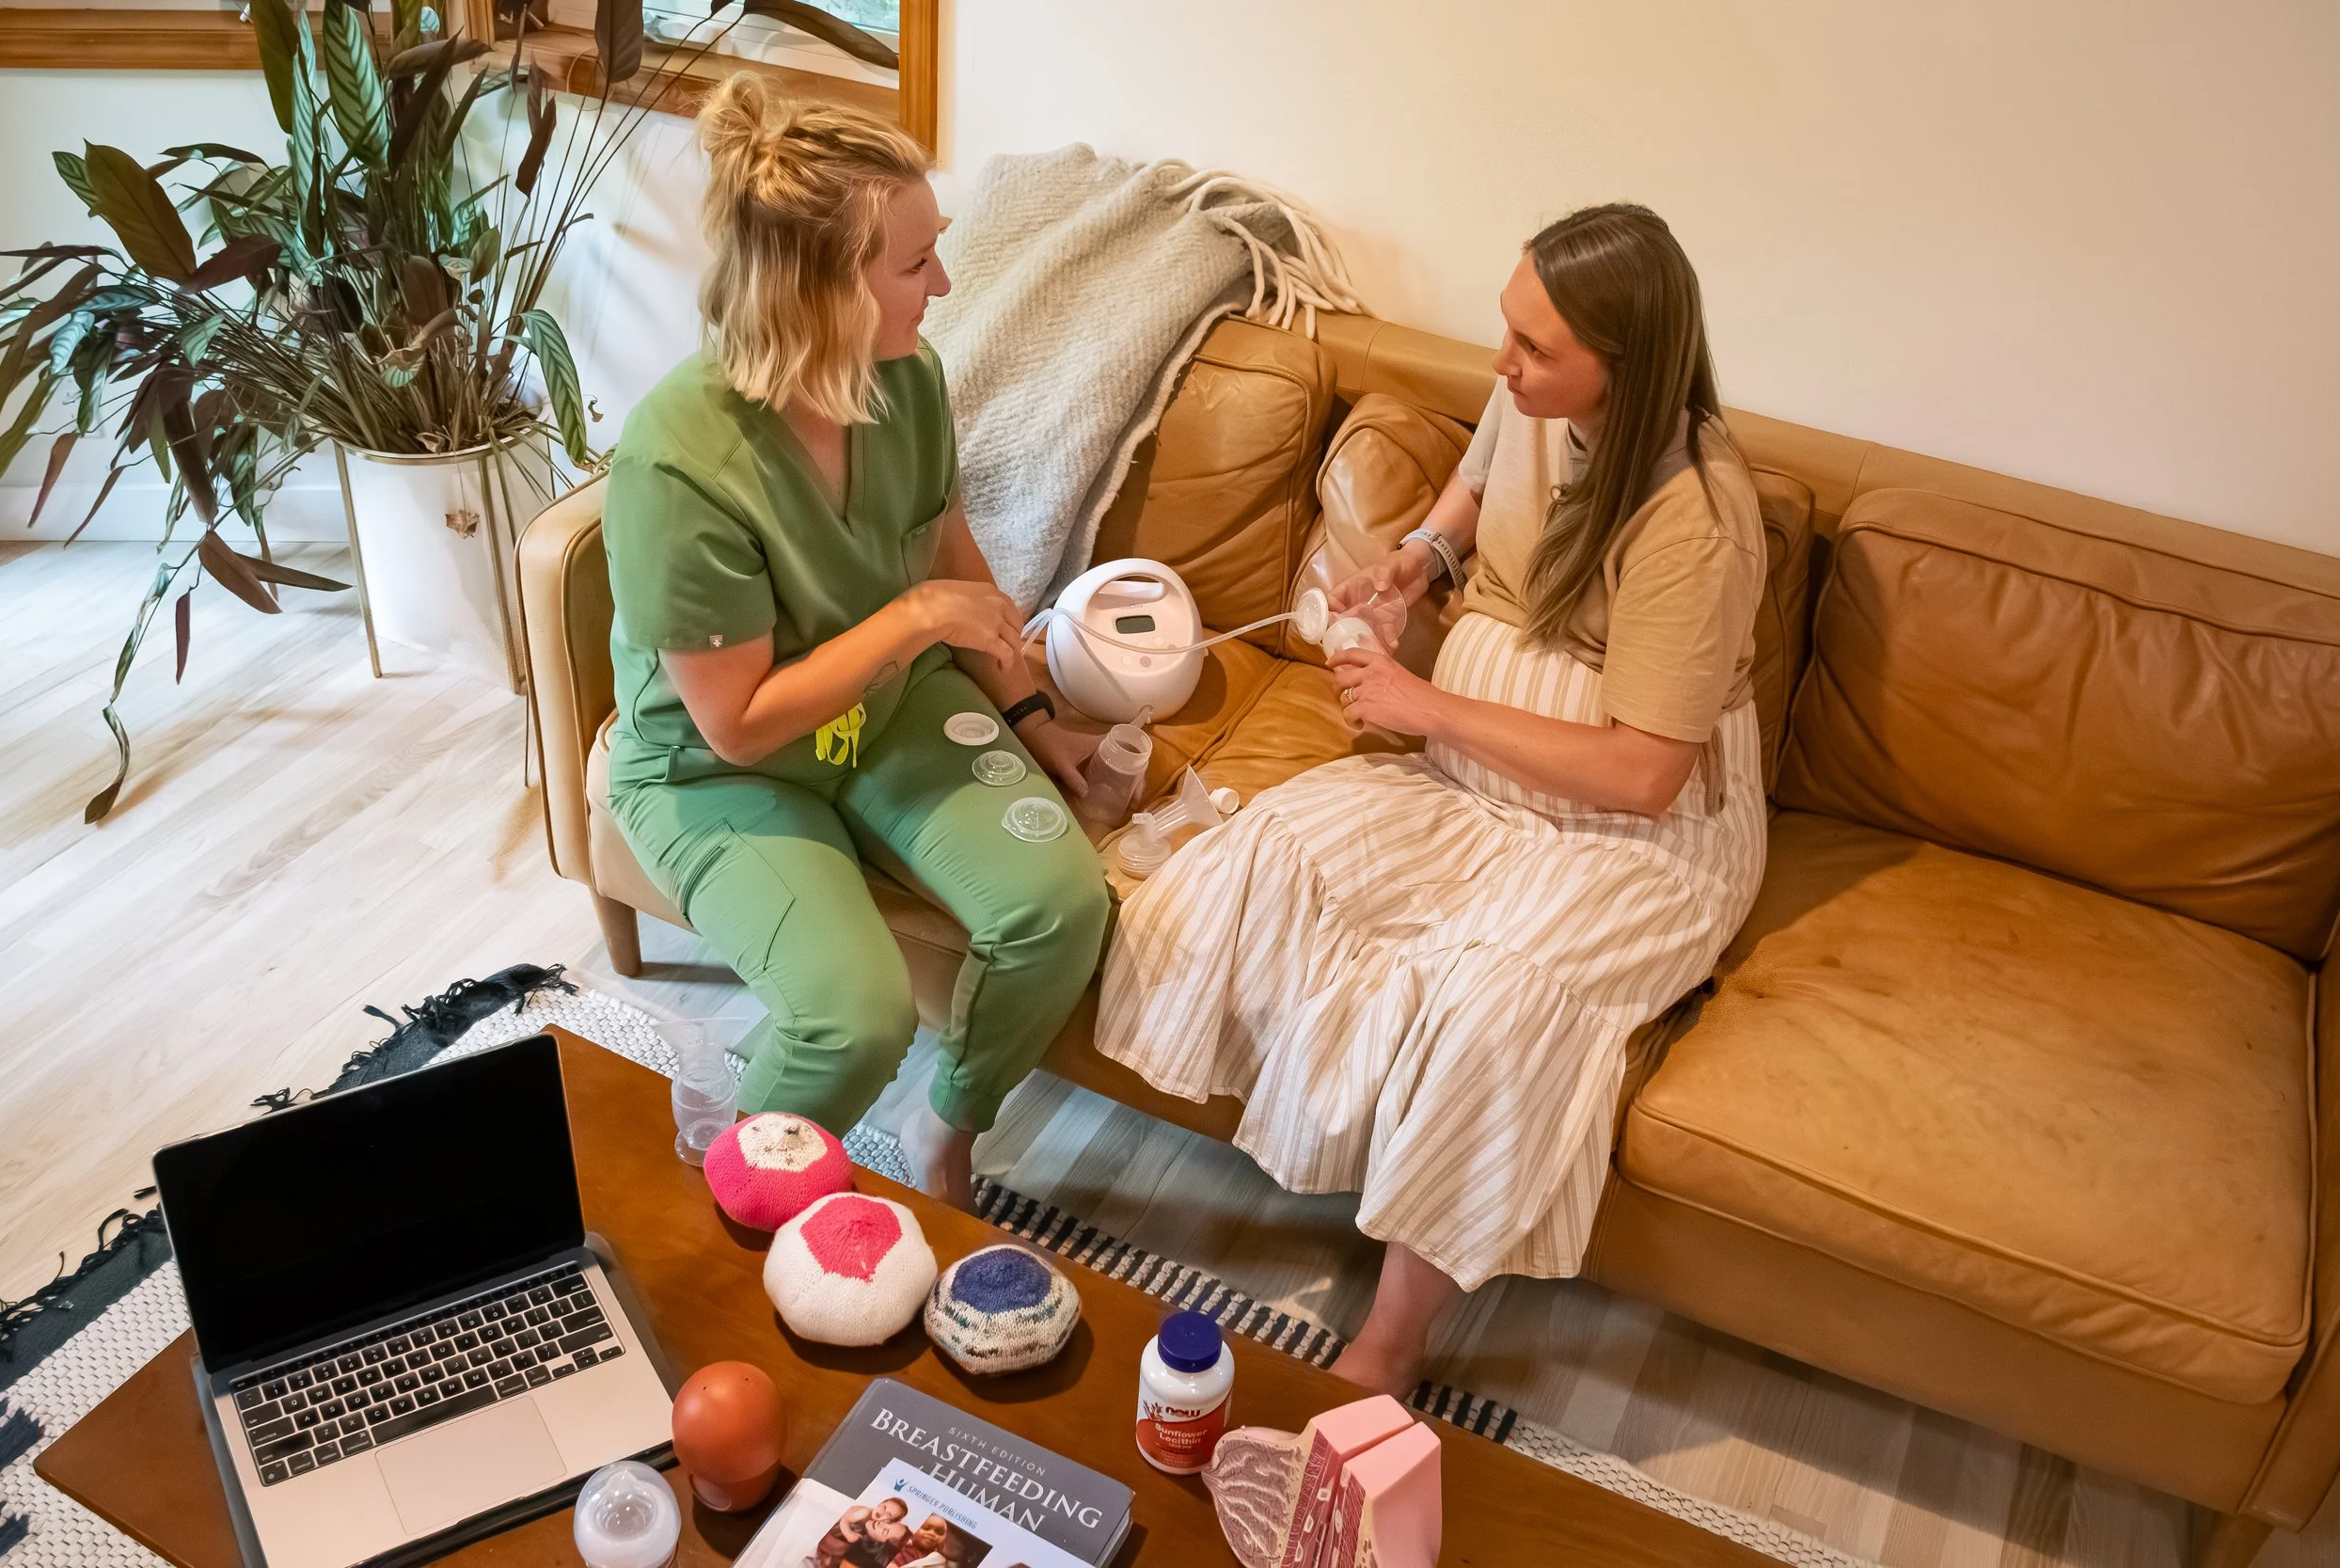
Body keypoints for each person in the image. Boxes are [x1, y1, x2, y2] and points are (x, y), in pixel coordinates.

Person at [1095, 204, 1768, 1396]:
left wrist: (1425, 705)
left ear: (1626, 366)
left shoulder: (1695, 520)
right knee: (1266, 854)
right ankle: (1255, 1168)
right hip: (1470, 781)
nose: (1501, 364)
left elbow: (1643, 771)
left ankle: (1393, 1338)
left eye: (1534, 348)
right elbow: (1474, 483)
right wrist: (1419, 559)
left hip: (1633, 832)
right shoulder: (1535, 401)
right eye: (1507, 330)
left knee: (1488, 1003)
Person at [603, 76, 1109, 1208]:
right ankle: (730, 1209)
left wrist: (1031, 710)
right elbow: (737, 725)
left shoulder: (907, 378)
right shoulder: (677, 462)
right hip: (715, 771)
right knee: (852, 1016)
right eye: (916, 262)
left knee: (1059, 907)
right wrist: (916, 618)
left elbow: (943, 543)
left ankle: (947, 1127)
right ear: (820, 291)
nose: (945, 283)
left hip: (881, 709)